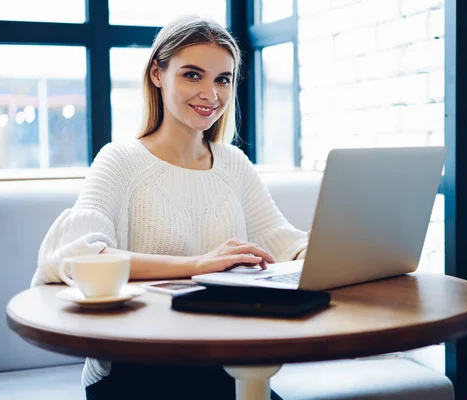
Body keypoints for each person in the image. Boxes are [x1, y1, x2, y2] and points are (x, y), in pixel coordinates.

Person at [31, 15, 308, 400]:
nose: (211, 93)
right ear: (158, 75)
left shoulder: (232, 163)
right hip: (135, 369)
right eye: (192, 75)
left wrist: (333, 252)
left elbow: (283, 242)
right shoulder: (120, 160)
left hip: (223, 361)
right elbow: (80, 255)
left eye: (223, 79)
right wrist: (199, 265)